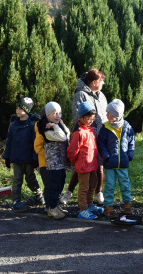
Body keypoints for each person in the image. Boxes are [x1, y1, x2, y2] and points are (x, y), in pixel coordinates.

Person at [60, 69, 108, 205]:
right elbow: (78, 117)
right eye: (101, 80)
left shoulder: (102, 96)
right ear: (94, 82)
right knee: (81, 167)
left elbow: (104, 116)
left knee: (99, 166)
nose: (103, 83)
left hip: (100, 137)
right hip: (86, 138)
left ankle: (98, 193)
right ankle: (69, 192)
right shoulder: (80, 95)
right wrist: (88, 133)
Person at [4, 97, 44, 213]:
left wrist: (35, 158)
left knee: (31, 179)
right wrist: (7, 157)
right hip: (16, 159)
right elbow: (9, 142)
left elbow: (35, 143)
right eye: (16, 108)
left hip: (28, 159)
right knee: (17, 180)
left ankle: (39, 196)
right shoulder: (13, 125)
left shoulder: (32, 124)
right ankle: (16, 201)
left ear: (27, 110)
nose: (17, 110)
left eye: (20, 108)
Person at [98, 99, 135, 218]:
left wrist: (129, 155)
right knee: (109, 185)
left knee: (125, 184)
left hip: (123, 163)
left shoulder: (127, 127)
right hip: (110, 163)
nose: (106, 114)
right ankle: (108, 206)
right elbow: (101, 144)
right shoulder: (105, 127)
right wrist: (106, 157)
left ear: (116, 115)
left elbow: (131, 142)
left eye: (109, 113)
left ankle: (127, 205)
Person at [67, 102, 103, 220]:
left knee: (93, 184)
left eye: (93, 118)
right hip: (83, 166)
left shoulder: (90, 129)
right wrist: (76, 163)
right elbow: (72, 151)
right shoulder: (78, 133)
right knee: (84, 188)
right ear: (81, 117)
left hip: (92, 164)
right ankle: (83, 210)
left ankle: (90, 204)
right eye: (88, 118)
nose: (91, 120)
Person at [38, 101, 70, 220]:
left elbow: (67, 132)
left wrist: (59, 123)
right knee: (54, 185)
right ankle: (52, 208)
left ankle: (55, 206)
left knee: (61, 183)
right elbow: (62, 137)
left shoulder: (56, 124)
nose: (58, 116)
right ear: (47, 116)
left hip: (60, 162)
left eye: (59, 113)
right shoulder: (46, 129)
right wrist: (56, 126)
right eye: (54, 113)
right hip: (53, 163)